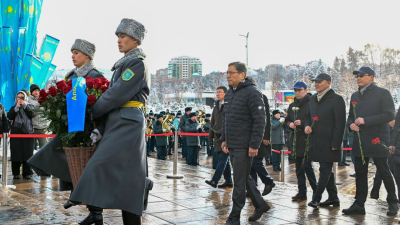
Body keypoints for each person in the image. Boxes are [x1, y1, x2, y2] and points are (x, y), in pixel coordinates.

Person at [69, 18, 152, 225]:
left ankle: (84, 199)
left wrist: (93, 111)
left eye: (123, 36)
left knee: (101, 163)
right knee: (127, 178)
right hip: (120, 122)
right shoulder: (125, 64)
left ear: (135, 40)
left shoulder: (136, 64)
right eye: (118, 36)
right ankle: (99, 208)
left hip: (128, 124)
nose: (119, 40)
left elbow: (116, 94)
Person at [27, 39, 104, 192]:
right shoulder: (71, 76)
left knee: (84, 167)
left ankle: (92, 208)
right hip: (71, 126)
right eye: (72, 53)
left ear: (87, 56)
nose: (72, 56)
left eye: (76, 53)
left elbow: (101, 103)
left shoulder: (96, 76)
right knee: (63, 158)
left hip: (86, 128)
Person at [343, 67, 398, 216]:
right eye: (357, 76)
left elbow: (389, 114)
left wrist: (365, 121)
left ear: (371, 77)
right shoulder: (354, 95)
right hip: (359, 140)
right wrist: (351, 124)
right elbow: (350, 117)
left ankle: (393, 202)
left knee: (383, 171)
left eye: (361, 75)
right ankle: (359, 204)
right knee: (360, 173)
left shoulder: (383, 93)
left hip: (377, 139)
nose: (358, 78)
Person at [221, 62, 270, 224]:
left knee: (239, 182)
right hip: (233, 144)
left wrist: (254, 144)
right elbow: (226, 119)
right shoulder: (229, 93)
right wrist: (224, 140)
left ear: (242, 75)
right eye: (227, 73)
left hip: (244, 145)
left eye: (231, 73)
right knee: (244, 178)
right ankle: (261, 205)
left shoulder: (252, 92)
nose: (228, 76)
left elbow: (260, 120)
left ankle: (234, 216)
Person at [305, 73, 346, 209]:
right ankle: (333, 198)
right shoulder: (312, 99)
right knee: (327, 171)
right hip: (315, 141)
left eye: (319, 82)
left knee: (325, 170)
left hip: (329, 143)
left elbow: (340, 124)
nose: (316, 84)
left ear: (328, 83)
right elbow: (307, 117)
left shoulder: (337, 99)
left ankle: (316, 199)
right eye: (315, 82)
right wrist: (306, 126)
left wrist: (336, 144)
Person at [285, 82, 317, 201]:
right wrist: (290, 125)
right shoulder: (292, 105)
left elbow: (315, 120)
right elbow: (287, 121)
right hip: (295, 140)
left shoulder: (311, 103)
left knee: (307, 166)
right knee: (298, 168)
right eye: (295, 90)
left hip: (307, 140)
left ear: (306, 90)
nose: (297, 92)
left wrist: (303, 123)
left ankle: (315, 191)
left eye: (299, 90)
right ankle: (302, 191)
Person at [205, 86, 232, 188]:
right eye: (217, 92)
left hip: (226, 137)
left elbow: (230, 122)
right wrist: (210, 137)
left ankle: (214, 180)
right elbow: (213, 123)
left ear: (225, 94)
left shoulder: (229, 106)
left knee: (222, 159)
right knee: (224, 160)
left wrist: (221, 132)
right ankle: (229, 181)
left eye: (220, 92)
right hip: (217, 137)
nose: (218, 94)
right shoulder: (216, 107)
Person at [249, 94, 275, 196]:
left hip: (259, 136)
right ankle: (253, 188)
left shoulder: (260, 96)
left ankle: (268, 181)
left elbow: (266, 118)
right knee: (251, 164)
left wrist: (266, 136)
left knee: (256, 162)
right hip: (250, 135)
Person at [7, 91, 35, 179]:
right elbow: (10, 116)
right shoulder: (13, 107)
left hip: (28, 133)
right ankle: (16, 173)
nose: (20, 99)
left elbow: (32, 114)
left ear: (25, 98)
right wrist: (17, 107)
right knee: (16, 153)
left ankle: (27, 173)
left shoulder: (30, 106)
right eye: (18, 97)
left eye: (22, 97)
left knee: (28, 153)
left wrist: (25, 106)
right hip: (16, 133)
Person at [28, 84, 49, 152]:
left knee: (44, 148)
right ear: (31, 92)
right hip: (32, 128)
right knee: (30, 149)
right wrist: (40, 104)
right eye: (34, 91)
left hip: (43, 128)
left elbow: (48, 111)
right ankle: (29, 162)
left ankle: (44, 162)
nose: (36, 92)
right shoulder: (28, 100)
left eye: (37, 90)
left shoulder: (44, 99)